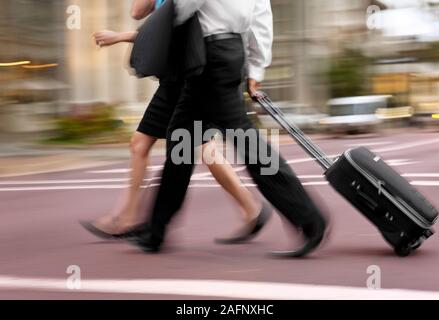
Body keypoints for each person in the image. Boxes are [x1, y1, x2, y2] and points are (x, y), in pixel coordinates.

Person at [123, 0, 329, 257]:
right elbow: (261, 19)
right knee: (182, 143)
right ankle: (155, 231)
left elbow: (185, 6)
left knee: (244, 141)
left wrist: (163, 25)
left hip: (207, 57)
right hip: (230, 52)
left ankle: (310, 220)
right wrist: (256, 69)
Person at [81, 0, 271, 243]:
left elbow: (172, 29)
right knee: (175, 146)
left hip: (190, 74)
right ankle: (250, 208)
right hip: (173, 77)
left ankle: (134, 219)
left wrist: (119, 36)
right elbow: (138, 12)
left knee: (196, 147)